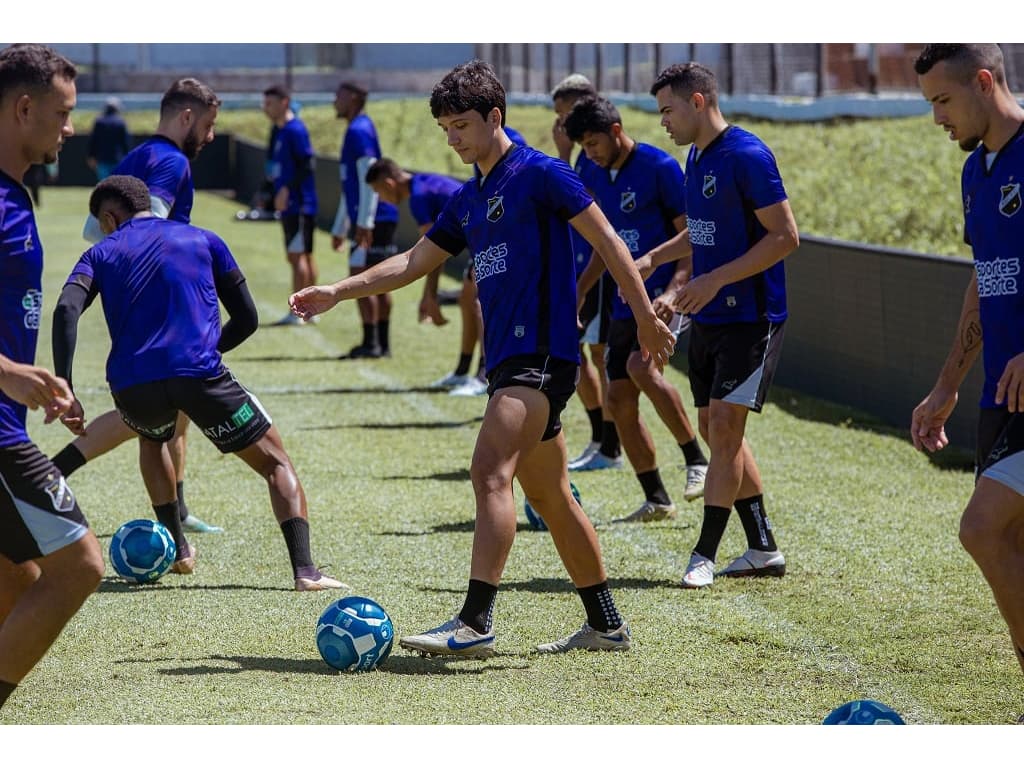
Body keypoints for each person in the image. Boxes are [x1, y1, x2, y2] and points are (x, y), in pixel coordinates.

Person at [291, 60, 676, 656]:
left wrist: (647, 317)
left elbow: (609, 240)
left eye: (462, 125)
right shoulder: (469, 199)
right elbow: (413, 263)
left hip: (542, 354)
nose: (453, 139)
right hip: (510, 360)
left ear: (495, 117)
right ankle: (606, 625)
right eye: (445, 128)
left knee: (489, 471)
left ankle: (474, 623)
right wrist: (338, 292)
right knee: (550, 496)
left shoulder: (541, 174)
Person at [52, 175, 347, 593]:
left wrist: (65, 384)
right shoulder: (205, 239)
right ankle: (305, 572)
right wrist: (204, 356)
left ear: (109, 217)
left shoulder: (99, 253)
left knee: (152, 440)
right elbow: (247, 319)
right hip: (200, 375)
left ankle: (180, 549)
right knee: (275, 462)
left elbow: (66, 308)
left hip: (132, 388)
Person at [643, 63, 798, 588]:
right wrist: (650, 261)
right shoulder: (696, 155)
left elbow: (784, 236)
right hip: (709, 316)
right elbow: (702, 233)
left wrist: (715, 281)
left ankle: (703, 554)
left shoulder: (748, 155)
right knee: (714, 429)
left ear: (699, 102)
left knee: (726, 431)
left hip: (753, 318)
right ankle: (762, 547)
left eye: (667, 109)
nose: (663, 121)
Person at [53, 77, 224, 534]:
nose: (209, 136)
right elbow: (157, 236)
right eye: (207, 125)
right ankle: (54, 473)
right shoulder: (172, 162)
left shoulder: (135, 158)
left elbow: (96, 231)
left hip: (134, 296)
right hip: (164, 300)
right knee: (157, 407)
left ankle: (178, 510)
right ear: (186, 117)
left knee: (168, 414)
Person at [911, 44, 1024, 714]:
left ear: (984, 82)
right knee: (1010, 545)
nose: (936, 119)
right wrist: (947, 384)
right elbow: (986, 281)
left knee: (981, 528)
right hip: (1000, 400)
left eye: (943, 101)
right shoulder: (977, 172)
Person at [0, 43, 104, 713]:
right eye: (64, 114)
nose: (70, 128)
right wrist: (7, 373)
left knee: (20, 582)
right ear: (24, 107)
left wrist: (30, 376)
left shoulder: (14, 195)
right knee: (80, 567)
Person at [564, 95, 708, 522]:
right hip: (624, 298)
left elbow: (693, 238)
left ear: (615, 131)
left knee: (642, 369)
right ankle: (657, 498)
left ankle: (696, 459)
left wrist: (673, 291)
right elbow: (601, 247)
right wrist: (580, 291)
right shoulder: (592, 170)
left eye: (593, 143)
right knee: (618, 397)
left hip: (668, 291)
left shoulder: (660, 168)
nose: (588, 154)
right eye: (582, 147)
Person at [363, 157, 490, 391]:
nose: (381, 198)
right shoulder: (423, 181)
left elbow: (431, 253)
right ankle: (463, 371)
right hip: (481, 239)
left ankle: (484, 376)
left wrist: (429, 296)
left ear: (390, 184)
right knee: (466, 300)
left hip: (487, 239)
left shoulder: (419, 198)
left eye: (379, 192)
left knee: (478, 305)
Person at [551, 74, 622, 471]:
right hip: (579, 265)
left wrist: (563, 153)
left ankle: (610, 444)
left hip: (593, 270)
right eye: (559, 117)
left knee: (598, 354)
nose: (562, 124)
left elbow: (584, 209)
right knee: (584, 354)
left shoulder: (596, 154)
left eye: (567, 114)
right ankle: (601, 437)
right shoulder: (583, 152)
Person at [330, 81, 400, 358]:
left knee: (361, 279)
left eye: (339, 95)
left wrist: (365, 222)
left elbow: (369, 177)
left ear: (355, 98)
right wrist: (340, 226)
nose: (335, 100)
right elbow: (352, 185)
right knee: (377, 281)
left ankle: (373, 343)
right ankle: (379, 344)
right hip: (373, 218)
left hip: (373, 220)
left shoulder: (359, 130)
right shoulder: (357, 128)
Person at [262, 84, 319, 325]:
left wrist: (286, 189)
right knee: (303, 254)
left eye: (269, 103)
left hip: (300, 204)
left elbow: (308, 164)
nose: (265, 108)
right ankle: (312, 310)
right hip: (291, 206)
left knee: (298, 257)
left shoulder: (295, 130)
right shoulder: (280, 131)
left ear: (284, 102)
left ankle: (300, 312)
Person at [86, 96, 130, 181]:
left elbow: (93, 141)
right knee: (117, 184)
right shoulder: (120, 123)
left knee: (104, 185)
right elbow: (125, 143)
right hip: (117, 159)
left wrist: (91, 156)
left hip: (102, 159)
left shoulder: (99, 122)